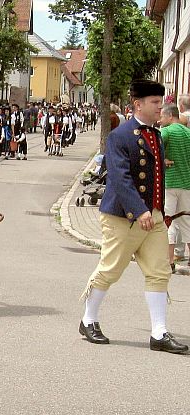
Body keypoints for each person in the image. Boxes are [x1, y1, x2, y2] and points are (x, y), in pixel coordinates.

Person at [79, 80, 188, 354]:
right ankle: (88, 319)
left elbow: (157, 178)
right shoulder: (120, 135)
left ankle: (159, 332)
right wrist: (139, 209)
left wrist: (161, 211)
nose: (160, 107)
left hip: (152, 216)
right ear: (138, 104)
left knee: (159, 271)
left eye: (160, 102)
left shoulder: (156, 134)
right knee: (110, 269)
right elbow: (120, 177)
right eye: (154, 102)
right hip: (123, 216)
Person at [159, 103, 190, 270]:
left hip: (170, 182)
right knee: (187, 221)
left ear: (170, 116)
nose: (160, 120)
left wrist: (163, 160)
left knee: (168, 221)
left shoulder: (166, 131)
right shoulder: (188, 133)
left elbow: (154, 149)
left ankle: (169, 261)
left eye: (162, 116)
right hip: (187, 183)